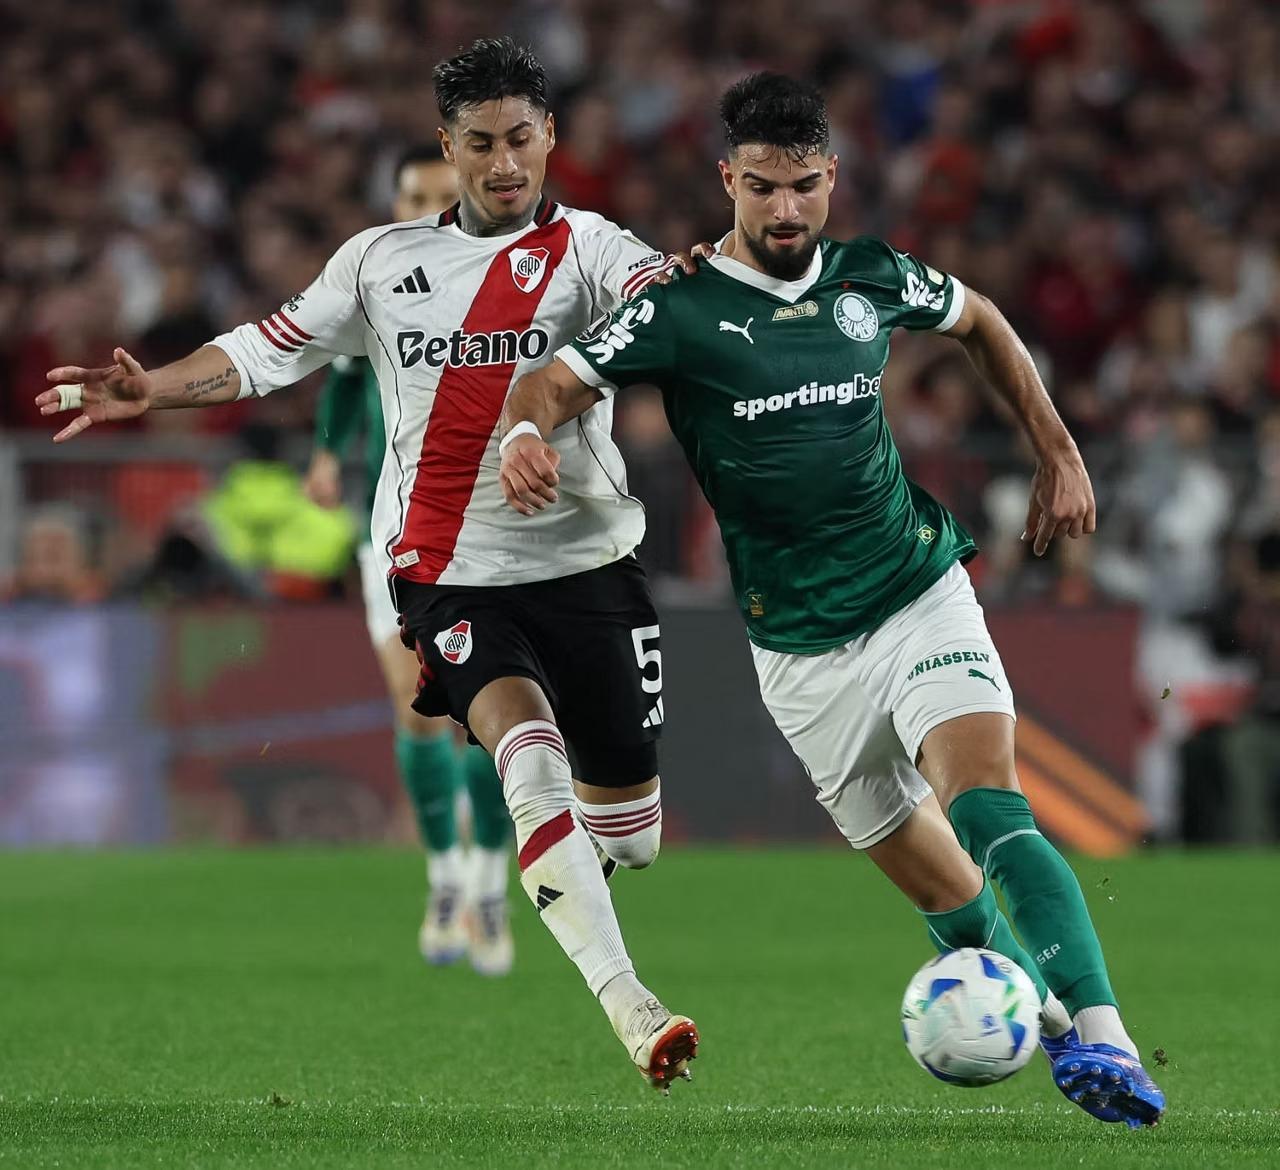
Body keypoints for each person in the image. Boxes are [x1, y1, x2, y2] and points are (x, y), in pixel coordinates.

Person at [498, 72, 1164, 1126]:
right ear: (727, 180)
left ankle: (1105, 1038)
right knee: (944, 898)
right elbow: (549, 382)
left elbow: (982, 320)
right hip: (799, 653)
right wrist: (526, 433)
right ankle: (1034, 1021)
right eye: (761, 187)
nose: (785, 211)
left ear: (831, 178)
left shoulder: (870, 278)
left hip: (916, 596)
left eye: (804, 186)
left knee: (990, 808)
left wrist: (1056, 450)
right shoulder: (676, 310)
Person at [37, 38, 696, 1093]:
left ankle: (564, 871)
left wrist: (693, 291)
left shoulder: (590, 252)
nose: (500, 164)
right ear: (447, 144)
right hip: (448, 573)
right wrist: (149, 389)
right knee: (523, 762)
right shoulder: (380, 264)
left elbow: (665, 307)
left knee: (635, 832)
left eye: (518, 139)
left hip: (588, 565)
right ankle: (631, 1005)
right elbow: (260, 349)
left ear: (549, 139)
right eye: (477, 144)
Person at [302, 143, 516, 976]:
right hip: (388, 532)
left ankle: (493, 885)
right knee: (417, 708)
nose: (427, 205)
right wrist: (326, 456)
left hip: (490, 533)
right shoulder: (375, 281)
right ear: (395, 201)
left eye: (440, 192)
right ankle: (447, 880)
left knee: (490, 717)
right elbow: (343, 375)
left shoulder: (503, 279)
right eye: (413, 194)